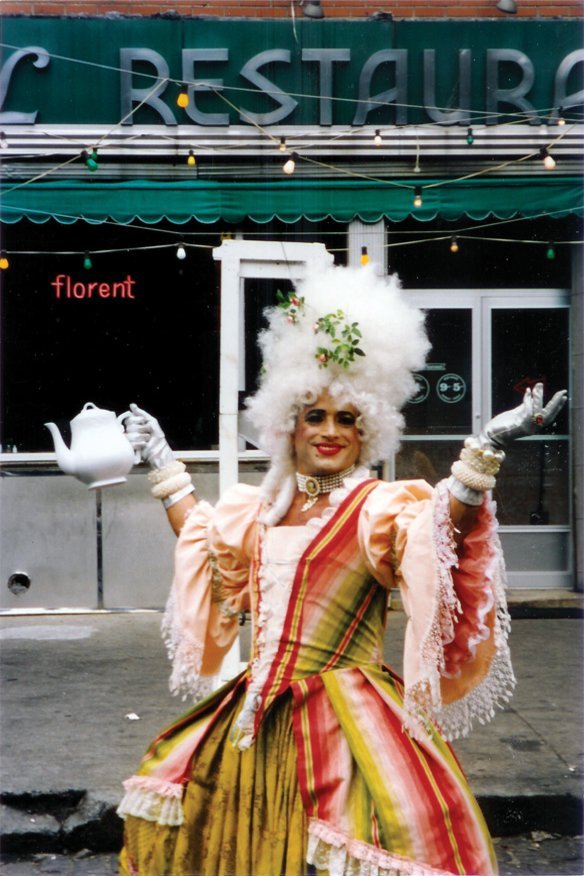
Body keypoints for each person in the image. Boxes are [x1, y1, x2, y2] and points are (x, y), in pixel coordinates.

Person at [117, 264, 566, 876]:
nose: (330, 432)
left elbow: (444, 531)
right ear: (288, 426)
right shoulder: (263, 507)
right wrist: (163, 464)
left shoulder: (374, 508)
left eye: (347, 419)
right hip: (258, 714)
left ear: (368, 432)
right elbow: (207, 540)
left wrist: (485, 448)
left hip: (347, 725)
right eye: (315, 416)